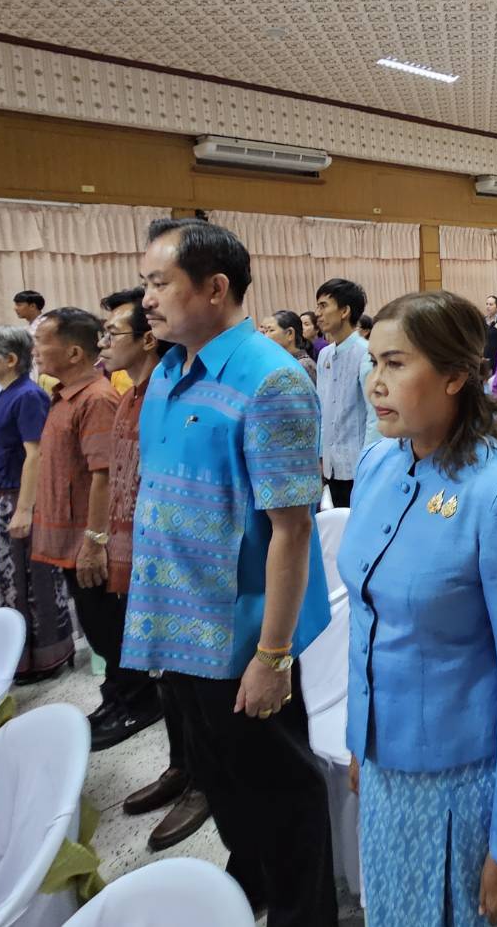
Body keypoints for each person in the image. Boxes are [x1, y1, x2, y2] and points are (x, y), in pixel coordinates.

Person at [127, 218, 336, 923]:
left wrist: (272, 656)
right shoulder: (169, 369)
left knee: (280, 785)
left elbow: (291, 529)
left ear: (214, 288)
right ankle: (251, 880)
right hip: (174, 622)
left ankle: (304, 910)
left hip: (239, 635)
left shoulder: (270, 380)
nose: (145, 300)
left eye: (160, 284)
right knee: (219, 777)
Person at [343, 291, 497, 927]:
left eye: (396, 364)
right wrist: (362, 740)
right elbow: (370, 621)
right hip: (386, 766)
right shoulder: (380, 462)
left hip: (465, 787)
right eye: (373, 364)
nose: (375, 384)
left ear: (457, 376)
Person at [100, 288, 212, 845]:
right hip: (141, 550)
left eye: (112, 334)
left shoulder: (176, 390)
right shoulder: (136, 393)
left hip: (181, 560)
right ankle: (180, 764)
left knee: (189, 676)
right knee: (164, 673)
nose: (103, 345)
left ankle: (205, 779)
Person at [32, 306, 161, 748]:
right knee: (97, 624)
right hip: (71, 538)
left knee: (110, 624)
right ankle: (116, 697)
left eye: (42, 341)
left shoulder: (96, 400)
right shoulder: (67, 396)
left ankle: (138, 700)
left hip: (90, 540)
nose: (36, 351)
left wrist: (95, 541)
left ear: (71, 351)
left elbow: (107, 476)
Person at [0, 325, 73, 683]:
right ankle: (18, 652)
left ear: (10, 359)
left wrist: (25, 507)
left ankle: (44, 655)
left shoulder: (27, 396)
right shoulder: (5, 394)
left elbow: (37, 455)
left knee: (31, 578)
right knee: (10, 578)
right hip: (5, 496)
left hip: (22, 497)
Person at [316, 277, 378, 509]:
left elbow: (375, 414)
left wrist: (369, 461)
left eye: (323, 306)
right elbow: (322, 409)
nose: (318, 313)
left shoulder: (366, 353)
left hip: (359, 464)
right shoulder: (325, 356)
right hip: (332, 464)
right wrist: (321, 454)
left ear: (344, 311)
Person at [260, 310, 318, 383]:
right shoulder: (282, 363)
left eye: (271, 330)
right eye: (265, 332)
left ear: (289, 333)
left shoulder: (304, 365)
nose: (266, 337)